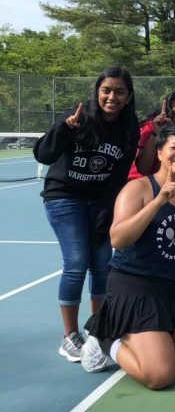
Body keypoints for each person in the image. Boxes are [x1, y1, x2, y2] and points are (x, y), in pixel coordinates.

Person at [81, 123, 175, 388]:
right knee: (160, 376)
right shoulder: (139, 189)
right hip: (134, 289)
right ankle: (105, 338)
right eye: (174, 148)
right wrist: (157, 202)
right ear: (159, 152)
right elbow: (117, 239)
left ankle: (157, 338)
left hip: (172, 290)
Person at [33, 67, 140, 363]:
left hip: (100, 201)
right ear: (97, 92)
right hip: (65, 198)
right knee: (77, 261)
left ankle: (97, 330)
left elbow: (119, 176)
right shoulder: (78, 116)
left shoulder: (128, 126)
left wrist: (107, 215)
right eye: (106, 90)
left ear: (128, 96)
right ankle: (69, 336)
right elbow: (43, 153)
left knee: (103, 263)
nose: (112, 96)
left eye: (119, 91)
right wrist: (64, 129)